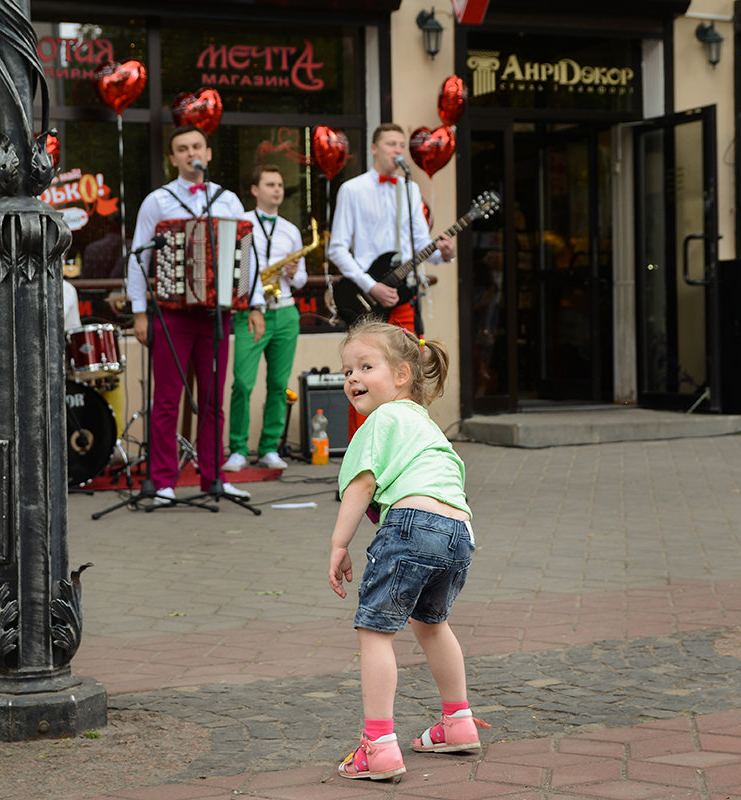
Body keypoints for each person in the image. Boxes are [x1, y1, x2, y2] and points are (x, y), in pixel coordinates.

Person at [327, 319, 488, 781]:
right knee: (432, 624)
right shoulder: (424, 423)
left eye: (365, 366)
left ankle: (377, 745)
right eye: (347, 371)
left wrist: (340, 544)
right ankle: (457, 722)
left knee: (375, 632)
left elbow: (361, 485)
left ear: (401, 375)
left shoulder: (382, 420)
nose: (352, 378)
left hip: (412, 526)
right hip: (459, 531)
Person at [126, 124, 261, 504]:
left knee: (213, 400)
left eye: (196, 146)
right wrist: (140, 312)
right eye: (182, 149)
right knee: (168, 399)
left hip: (216, 315)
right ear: (173, 158)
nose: (190, 153)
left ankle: (213, 477)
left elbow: (247, 254)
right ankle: (164, 480)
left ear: (209, 152)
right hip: (171, 314)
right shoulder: (159, 200)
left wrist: (252, 302)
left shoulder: (228, 199)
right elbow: (140, 258)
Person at [327, 123, 456, 439]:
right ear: (374, 148)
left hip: (403, 295)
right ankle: (361, 455)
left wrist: (443, 254)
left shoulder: (409, 189)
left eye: (401, 144)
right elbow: (337, 248)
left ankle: (405, 446)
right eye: (391, 144)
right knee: (364, 377)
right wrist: (370, 284)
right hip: (368, 297)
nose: (398, 150)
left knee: (408, 370)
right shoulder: (353, 189)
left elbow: (419, 243)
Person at [223, 164, 307, 473]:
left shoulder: (290, 230)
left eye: (280, 185)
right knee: (243, 383)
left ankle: (270, 447)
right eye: (270, 184)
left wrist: (295, 274)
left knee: (277, 384)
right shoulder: (241, 223)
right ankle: (238, 449)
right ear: (255, 190)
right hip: (250, 312)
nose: (277, 190)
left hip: (285, 310)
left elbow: (302, 280)